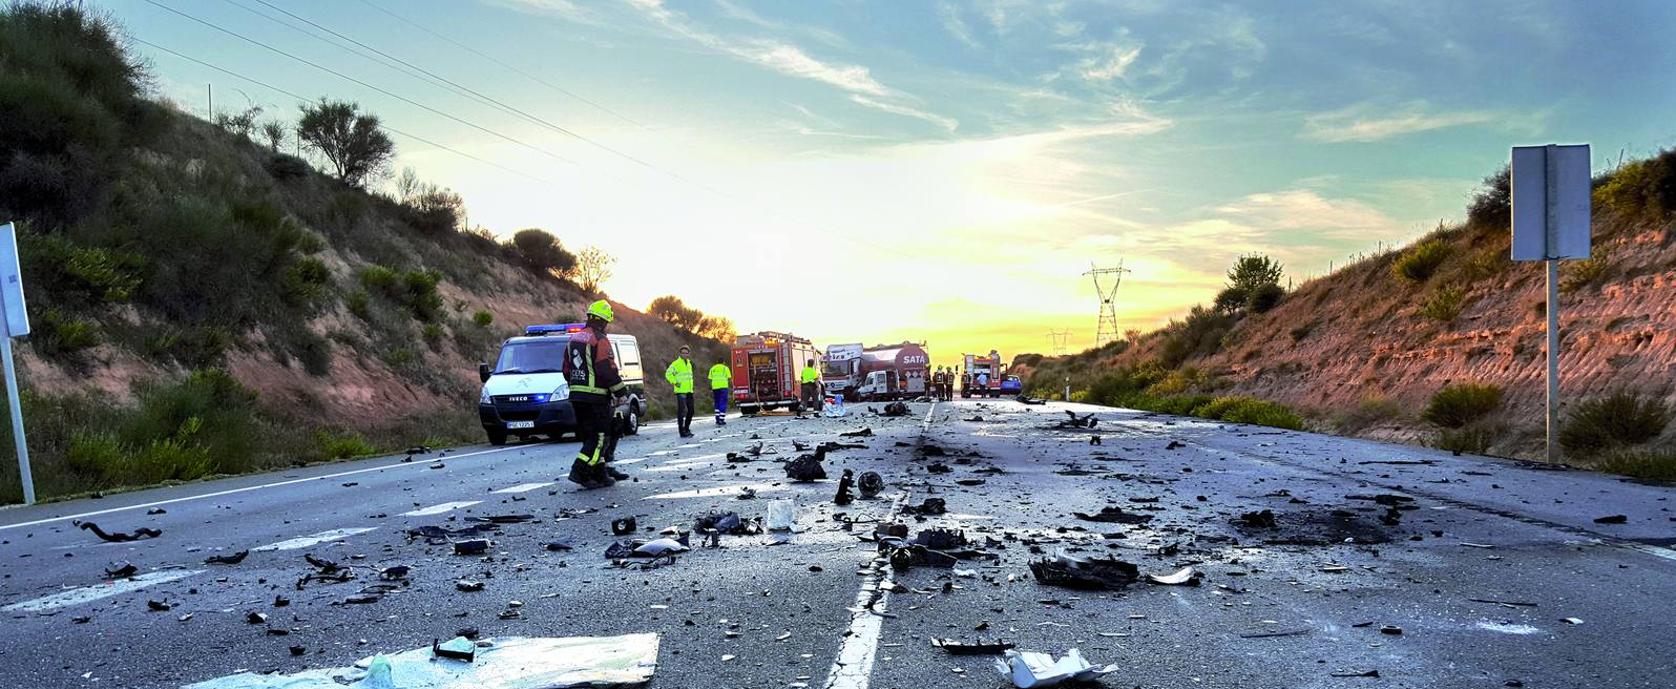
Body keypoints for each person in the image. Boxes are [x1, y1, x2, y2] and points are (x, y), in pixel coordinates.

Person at [562, 300, 629, 488]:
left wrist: (576, 386)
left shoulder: (573, 339)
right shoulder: (599, 340)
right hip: (596, 397)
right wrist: (621, 392)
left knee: (591, 436)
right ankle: (581, 471)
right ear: (603, 321)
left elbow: (566, 369)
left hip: (577, 396)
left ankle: (600, 475)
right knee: (600, 436)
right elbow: (606, 369)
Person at [665, 345, 695, 438]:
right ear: (680, 353)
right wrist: (675, 382)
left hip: (689, 390)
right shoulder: (676, 364)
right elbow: (668, 374)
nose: (684, 354)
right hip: (681, 391)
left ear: (688, 354)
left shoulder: (689, 363)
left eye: (686, 353)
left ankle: (687, 428)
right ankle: (682, 431)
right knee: (681, 412)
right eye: (683, 353)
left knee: (691, 411)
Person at [708, 360, 731, 426]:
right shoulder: (725, 368)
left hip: (715, 387)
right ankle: (721, 419)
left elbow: (710, 378)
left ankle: (717, 419)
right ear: (723, 362)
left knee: (717, 402)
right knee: (723, 403)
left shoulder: (712, 368)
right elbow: (729, 377)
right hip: (723, 387)